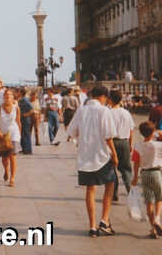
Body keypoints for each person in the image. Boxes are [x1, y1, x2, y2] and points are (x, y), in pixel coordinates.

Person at [65, 86, 118, 238]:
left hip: (85, 156)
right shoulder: (104, 111)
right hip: (102, 155)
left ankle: (92, 226)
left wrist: (82, 139)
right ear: (103, 97)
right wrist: (115, 155)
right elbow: (109, 136)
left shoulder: (81, 111)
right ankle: (104, 219)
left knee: (90, 190)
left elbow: (71, 131)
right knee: (110, 184)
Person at [131, 121, 162, 239]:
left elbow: (135, 163)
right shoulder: (159, 145)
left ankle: (153, 228)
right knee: (159, 198)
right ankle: (157, 218)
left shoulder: (138, 146)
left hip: (144, 174)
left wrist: (135, 177)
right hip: (156, 173)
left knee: (149, 201)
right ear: (153, 132)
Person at [107, 89, 133, 202]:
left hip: (112, 142)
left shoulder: (108, 113)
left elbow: (105, 131)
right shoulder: (126, 112)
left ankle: (114, 193)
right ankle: (131, 192)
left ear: (110, 99)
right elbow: (131, 130)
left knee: (111, 169)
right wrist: (130, 144)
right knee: (126, 169)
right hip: (125, 142)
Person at [0, 89, 21, 187]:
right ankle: (6, 170)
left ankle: (12, 178)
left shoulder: (16, 108)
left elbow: (18, 122)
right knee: (4, 158)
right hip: (3, 134)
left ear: (13, 97)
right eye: (5, 95)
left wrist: (20, 134)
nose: (7, 97)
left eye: (9, 95)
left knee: (13, 156)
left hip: (14, 134)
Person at [17, 90, 34, 154]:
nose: (17, 93)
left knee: (26, 134)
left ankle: (28, 150)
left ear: (20, 93)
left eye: (18, 92)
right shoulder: (20, 100)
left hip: (25, 120)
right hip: (21, 119)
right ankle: (24, 149)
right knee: (22, 135)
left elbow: (32, 109)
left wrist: (26, 114)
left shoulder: (25, 100)